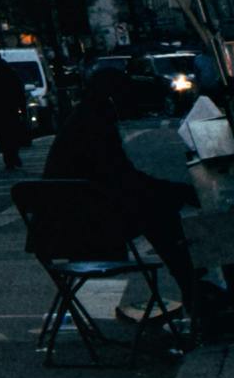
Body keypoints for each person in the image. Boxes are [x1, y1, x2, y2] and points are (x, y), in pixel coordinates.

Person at [35, 62, 203, 314]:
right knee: (159, 214)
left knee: (158, 210)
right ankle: (192, 289)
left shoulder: (85, 119)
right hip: (83, 230)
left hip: (66, 227)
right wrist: (175, 192)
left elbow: (121, 179)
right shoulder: (94, 124)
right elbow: (122, 179)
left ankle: (193, 287)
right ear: (113, 97)